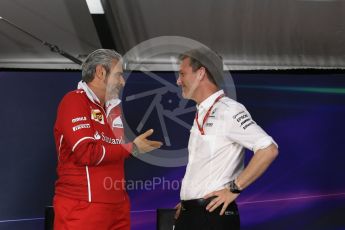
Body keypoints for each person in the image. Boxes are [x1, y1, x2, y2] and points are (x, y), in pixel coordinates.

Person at [53, 49, 162, 230]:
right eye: (118, 75)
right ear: (100, 72)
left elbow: (114, 154)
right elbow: (87, 153)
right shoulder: (74, 101)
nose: (122, 82)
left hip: (118, 207)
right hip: (83, 206)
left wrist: (132, 148)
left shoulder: (113, 110)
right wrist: (132, 148)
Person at [174, 47, 279, 230]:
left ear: (200, 73)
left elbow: (268, 149)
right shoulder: (202, 112)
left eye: (182, 74)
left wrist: (234, 189)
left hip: (212, 216)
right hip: (191, 214)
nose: (178, 80)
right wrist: (188, 202)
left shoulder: (229, 110)